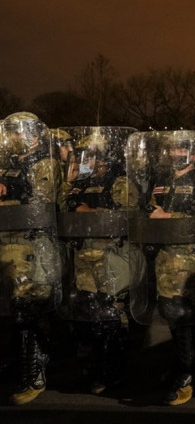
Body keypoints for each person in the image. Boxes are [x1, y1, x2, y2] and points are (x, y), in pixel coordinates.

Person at [129, 130, 195, 405]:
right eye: (172, 151)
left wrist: (168, 216)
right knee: (172, 316)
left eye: (182, 150)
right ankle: (187, 366)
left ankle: (186, 376)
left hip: (190, 259)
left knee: (186, 317)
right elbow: (151, 210)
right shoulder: (163, 180)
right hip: (165, 259)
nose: (176, 155)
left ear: (193, 153)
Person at [58, 127, 138, 394]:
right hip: (84, 255)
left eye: (88, 155)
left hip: (110, 254)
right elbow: (62, 206)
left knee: (112, 314)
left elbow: (128, 216)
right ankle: (96, 368)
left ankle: (112, 373)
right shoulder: (81, 181)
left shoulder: (119, 182)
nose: (84, 160)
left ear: (103, 157)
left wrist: (89, 211)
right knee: (90, 315)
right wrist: (69, 183)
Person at [0, 112, 62, 405]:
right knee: (11, 312)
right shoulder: (9, 165)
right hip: (7, 242)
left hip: (32, 245)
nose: (11, 139)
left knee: (28, 310)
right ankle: (18, 367)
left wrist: (6, 196)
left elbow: (41, 204)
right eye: (9, 133)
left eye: (16, 133)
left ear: (34, 136)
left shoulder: (44, 163)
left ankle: (34, 378)